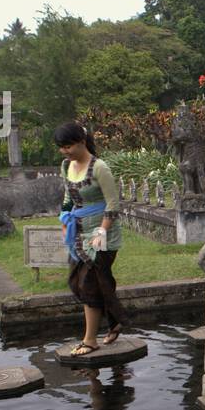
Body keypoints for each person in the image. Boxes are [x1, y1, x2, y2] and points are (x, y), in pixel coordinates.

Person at [56, 121, 130, 355]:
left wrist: (101, 233)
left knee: (89, 283)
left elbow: (113, 204)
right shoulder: (66, 165)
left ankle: (90, 340)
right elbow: (68, 197)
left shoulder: (100, 168)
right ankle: (115, 321)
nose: (65, 151)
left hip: (102, 233)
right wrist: (63, 220)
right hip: (77, 231)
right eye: (61, 147)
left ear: (81, 141)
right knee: (79, 282)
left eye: (68, 146)